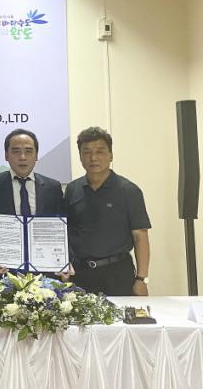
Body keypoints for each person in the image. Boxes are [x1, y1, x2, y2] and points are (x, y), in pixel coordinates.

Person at [65, 126, 151, 296]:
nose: (93, 158)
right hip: (81, 274)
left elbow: (140, 236)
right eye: (87, 152)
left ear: (110, 155)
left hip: (118, 273)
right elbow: (67, 231)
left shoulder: (129, 190)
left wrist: (142, 279)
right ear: (80, 156)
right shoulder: (72, 189)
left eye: (100, 151)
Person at [0, 129, 65, 281]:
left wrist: (63, 260)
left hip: (45, 270)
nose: (22, 157)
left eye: (28, 151)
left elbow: (60, 227)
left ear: (36, 155)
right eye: (16, 151)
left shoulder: (53, 187)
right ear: (6, 155)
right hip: (2, 269)